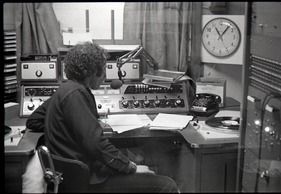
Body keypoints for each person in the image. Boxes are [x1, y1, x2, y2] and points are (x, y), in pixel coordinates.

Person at [24, 42, 179, 193]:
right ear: (91, 71)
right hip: (88, 180)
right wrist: (130, 167)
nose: (105, 76)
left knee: (136, 155)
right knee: (167, 185)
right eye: (104, 69)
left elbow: (34, 120)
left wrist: (65, 127)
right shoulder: (75, 95)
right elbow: (96, 144)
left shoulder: (66, 89)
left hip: (77, 173)